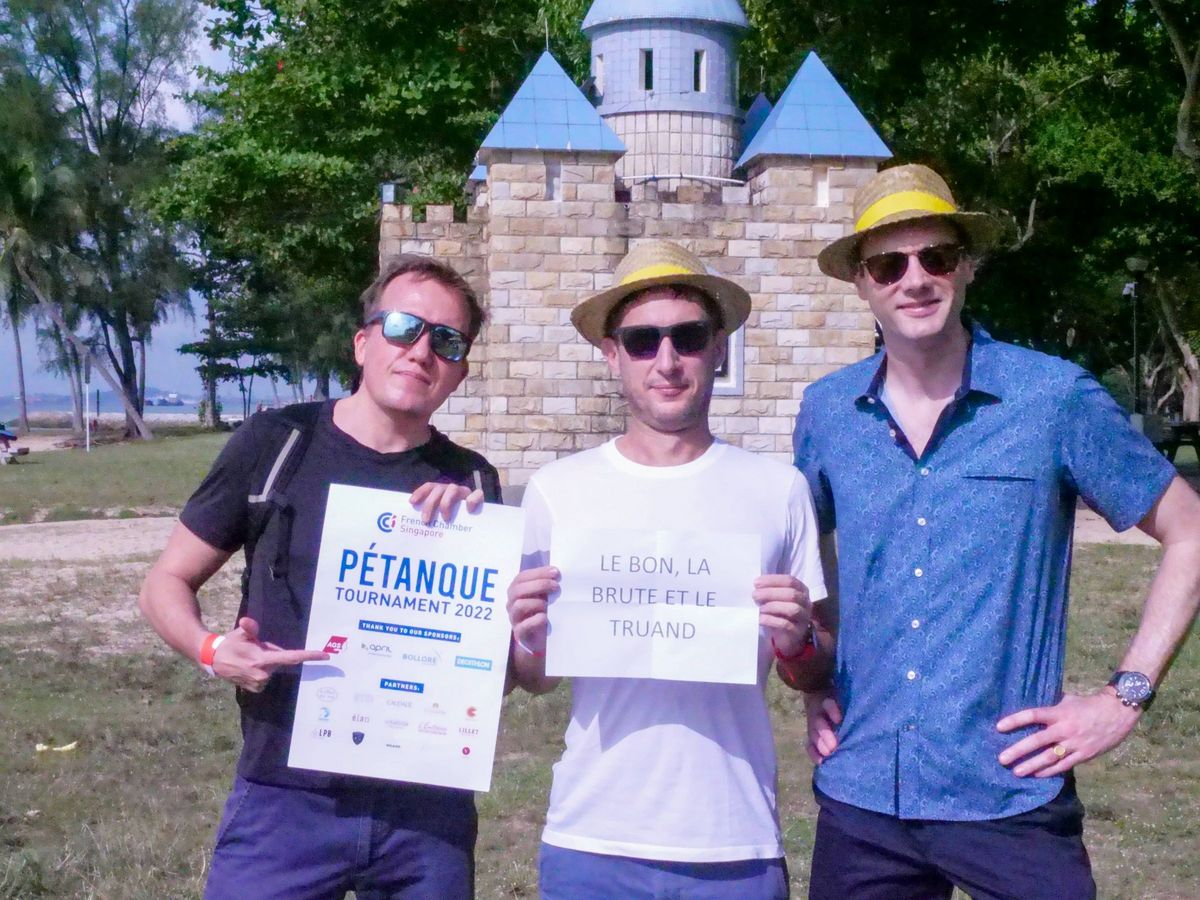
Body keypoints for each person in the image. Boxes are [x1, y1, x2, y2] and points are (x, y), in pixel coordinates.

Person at [792, 163, 1200, 899]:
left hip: (1009, 790)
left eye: (936, 256)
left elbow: (1190, 529)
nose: (915, 279)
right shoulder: (827, 413)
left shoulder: (1052, 400)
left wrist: (1125, 696)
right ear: (860, 282)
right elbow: (805, 554)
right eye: (888, 265)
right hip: (863, 794)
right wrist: (815, 681)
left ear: (968, 266)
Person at [139, 254, 501, 900]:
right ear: (362, 342)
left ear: (460, 371)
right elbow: (165, 581)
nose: (422, 351)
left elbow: (494, 660)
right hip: (285, 798)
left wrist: (472, 542)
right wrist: (212, 650)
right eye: (403, 327)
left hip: (427, 810)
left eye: (447, 341)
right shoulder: (276, 443)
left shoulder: (473, 484)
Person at [506, 240, 832, 899]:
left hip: (735, 843)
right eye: (642, 341)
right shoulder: (556, 490)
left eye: (688, 337)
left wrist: (797, 640)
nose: (667, 360)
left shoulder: (778, 489)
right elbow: (537, 679)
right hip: (590, 842)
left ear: (718, 348)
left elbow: (814, 670)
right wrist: (527, 636)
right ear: (612, 355)